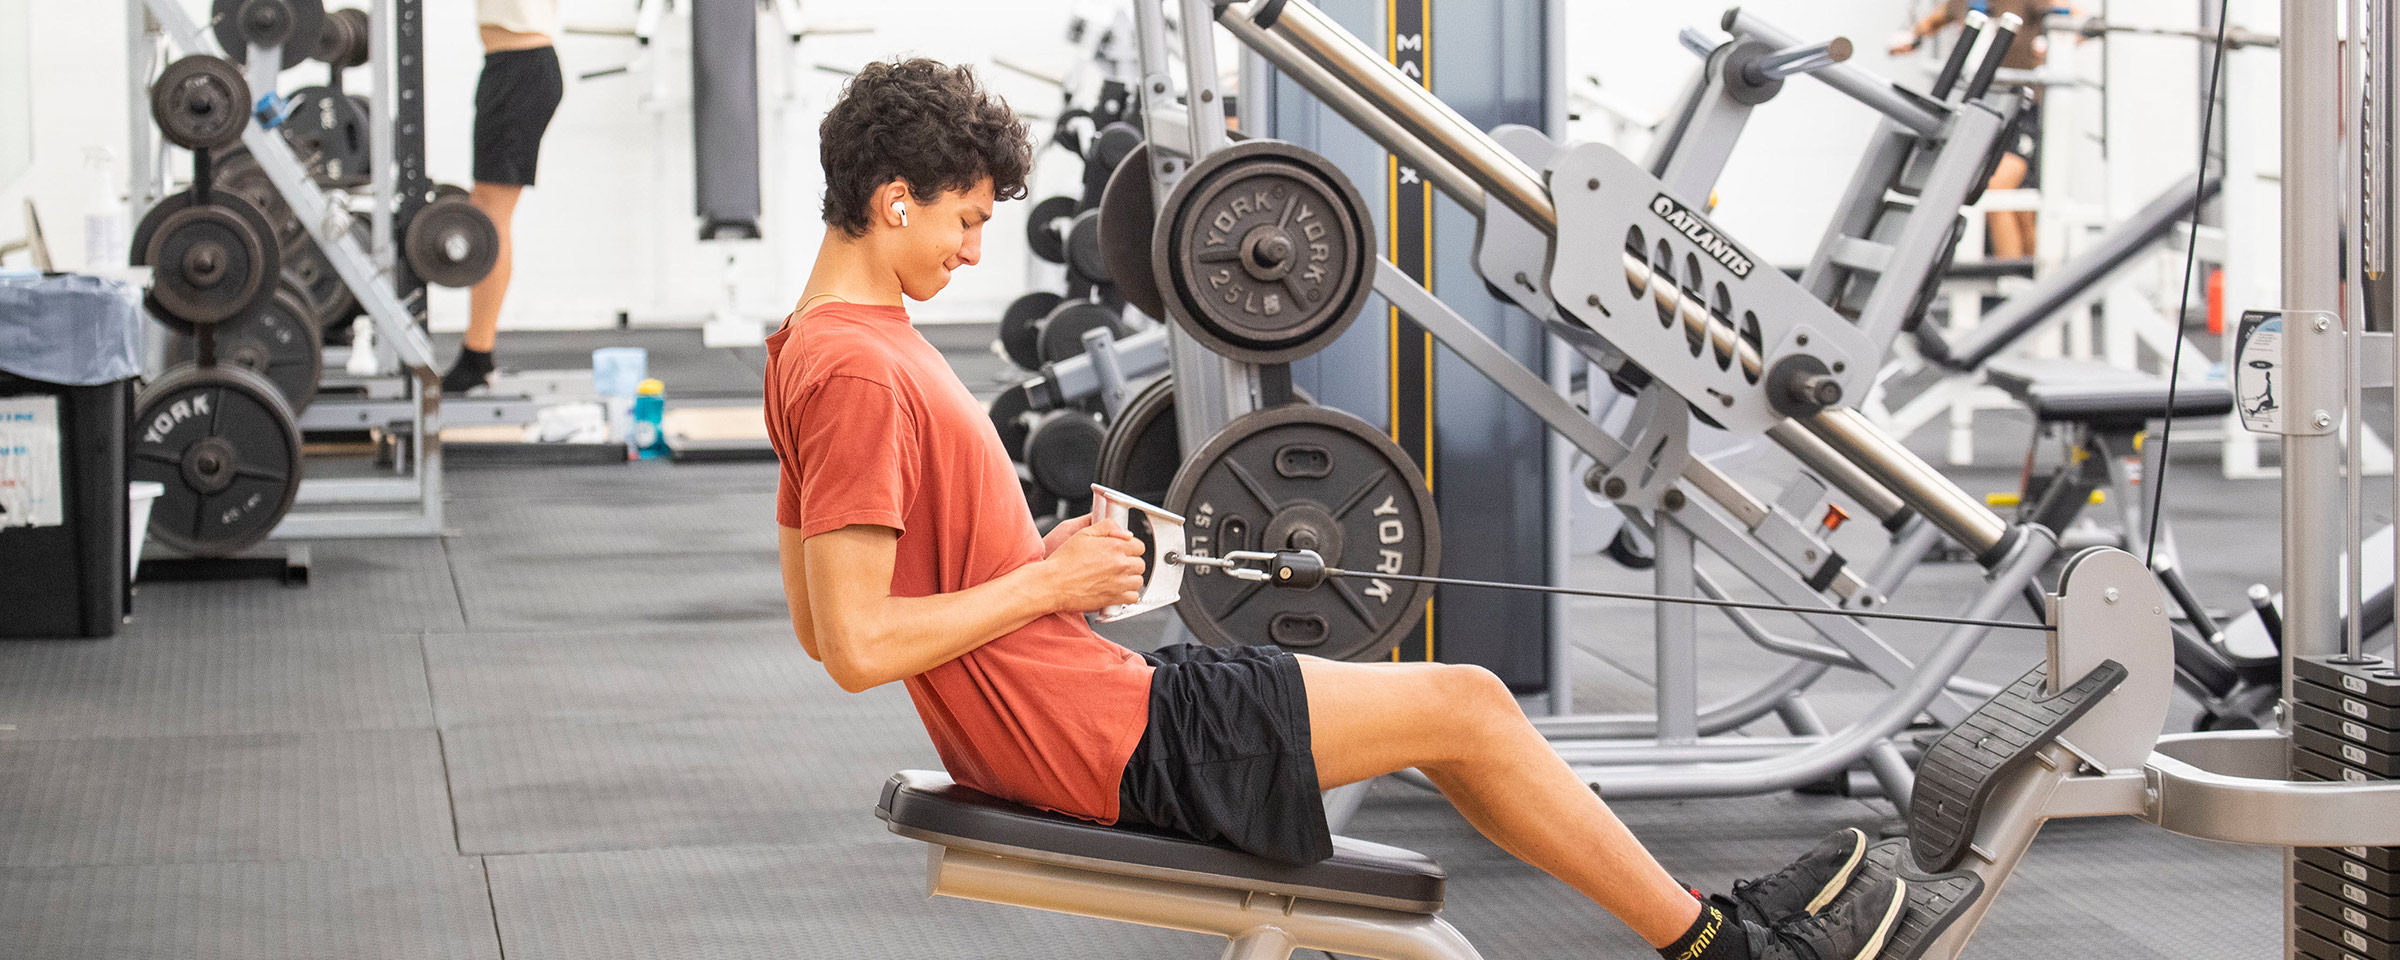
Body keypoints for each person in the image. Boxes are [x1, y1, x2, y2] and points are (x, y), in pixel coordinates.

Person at [766, 58, 1907, 960]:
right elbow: (860, 648)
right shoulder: (863, 371)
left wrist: (1038, 568)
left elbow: (825, 625)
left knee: (1462, 723)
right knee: (1468, 704)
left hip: (1093, 707)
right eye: (962, 222)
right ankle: (1723, 948)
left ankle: (1708, 927)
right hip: (1099, 743)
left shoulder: (811, 351)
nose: (973, 250)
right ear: (892, 198)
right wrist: (1048, 585)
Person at [443, 0, 566, 395]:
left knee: (490, 219)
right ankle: (477, 354)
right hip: (511, 68)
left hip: (520, 69)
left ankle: (477, 355)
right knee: (487, 212)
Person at [1893, 0, 2049, 259]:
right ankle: (2027, 278)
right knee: (2012, 199)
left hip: (2019, 111)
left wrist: (2064, 39)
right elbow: (1933, 21)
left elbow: (2071, 17)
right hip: (1979, 110)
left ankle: (2015, 278)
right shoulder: (1960, 3)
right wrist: (1910, 37)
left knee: (2000, 190)